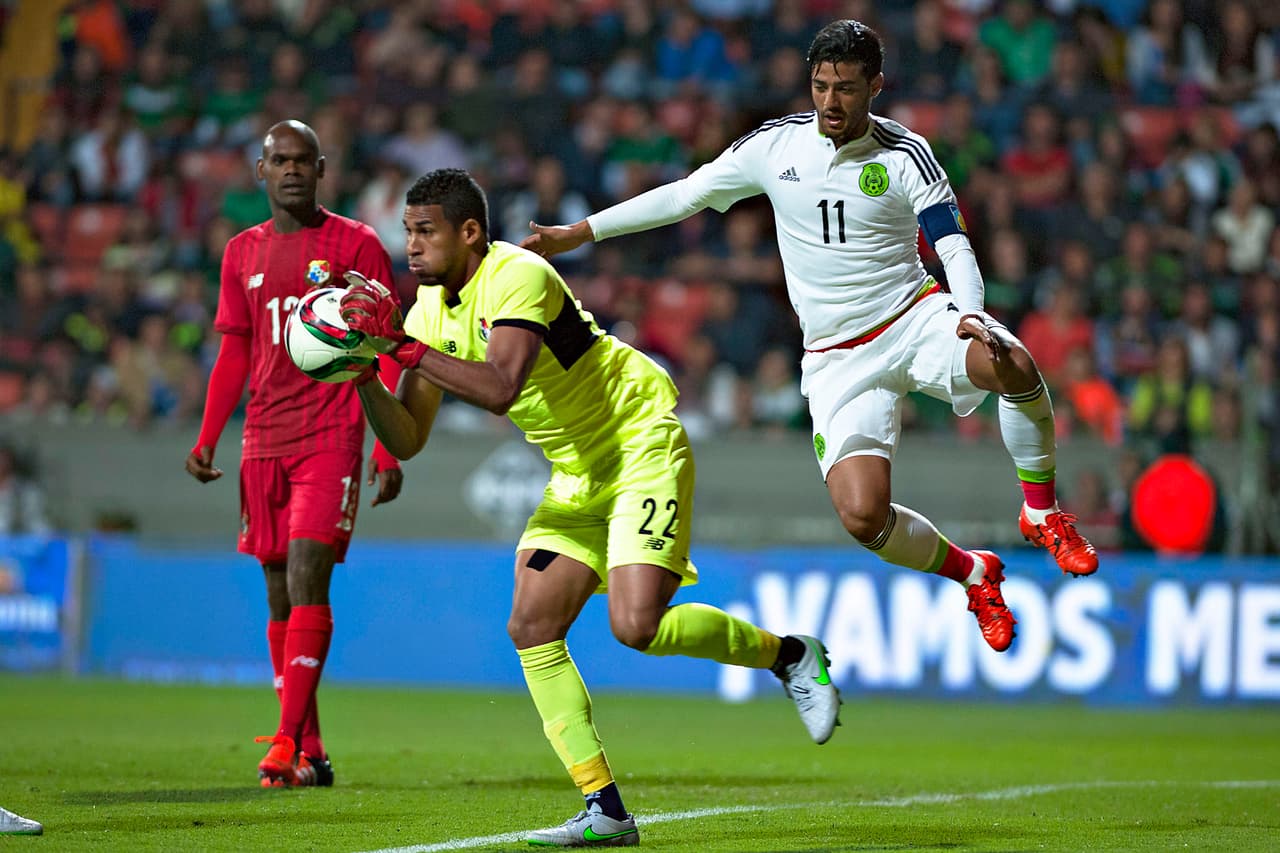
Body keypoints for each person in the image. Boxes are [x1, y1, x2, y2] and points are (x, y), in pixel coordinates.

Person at [524, 20, 1100, 655]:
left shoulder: (905, 154)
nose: (830, 101)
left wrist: (971, 310)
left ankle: (1041, 512)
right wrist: (581, 233)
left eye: (847, 88)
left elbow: (952, 241)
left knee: (1012, 361)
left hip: (913, 318)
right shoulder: (777, 147)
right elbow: (687, 195)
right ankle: (974, 572)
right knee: (862, 516)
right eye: (821, 86)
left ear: (875, 87)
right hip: (834, 358)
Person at [339, 168, 840, 847]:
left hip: (638, 440)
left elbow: (499, 384)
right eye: (407, 232)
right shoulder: (429, 312)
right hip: (577, 472)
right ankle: (605, 808)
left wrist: (398, 345)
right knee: (530, 622)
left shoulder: (518, 276)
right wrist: (366, 369)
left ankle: (789, 655)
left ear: (470, 233)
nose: (412, 246)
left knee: (637, 625)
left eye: (426, 232)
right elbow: (410, 435)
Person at [184, 120, 406, 788]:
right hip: (263, 440)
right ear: (261, 169)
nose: (290, 170)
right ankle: (313, 749)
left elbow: (387, 342)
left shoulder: (355, 244)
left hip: (331, 434)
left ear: (321, 168)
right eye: (278, 160)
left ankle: (283, 739)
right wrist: (206, 435)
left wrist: (390, 448)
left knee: (310, 572)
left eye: (302, 160)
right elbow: (234, 350)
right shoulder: (240, 253)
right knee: (279, 593)